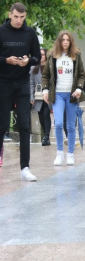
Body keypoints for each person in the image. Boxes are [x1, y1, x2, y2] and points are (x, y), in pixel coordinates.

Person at [0, 2, 41, 181]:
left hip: (23, 82)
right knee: (2, 125)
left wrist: (28, 61)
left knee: (24, 125)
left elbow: (37, 57)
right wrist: (6, 60)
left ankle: (25, 167)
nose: (19, 20)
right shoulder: (0, 31)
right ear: (10, 14)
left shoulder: (30, 33)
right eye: (16, 16)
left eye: (22, 17)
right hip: (4, 82)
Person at [42, 31, 85, 166]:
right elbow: (46, 75)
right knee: (59, 123)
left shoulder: (76, 56)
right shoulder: (52, 56)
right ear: (59, 42)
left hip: (71, 95)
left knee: (71, 126)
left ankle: (70, 154)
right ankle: (60, 153)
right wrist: (45, 90)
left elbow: (81, 74)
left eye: (68, 40)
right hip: (58, 94)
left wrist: (79, 88)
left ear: (70, 42)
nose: (65, 42)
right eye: (63, 40)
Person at [30, 48, 51, 146]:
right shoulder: (33, 67)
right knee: (41, 115)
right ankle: (46, 135)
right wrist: (31, 96)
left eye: (43, 54)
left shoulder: (50, 67)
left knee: (46, 114)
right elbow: (31, 83)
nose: (41, 56)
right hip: (38, 96)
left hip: (49, 94)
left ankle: (46, 136)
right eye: (40, 55)